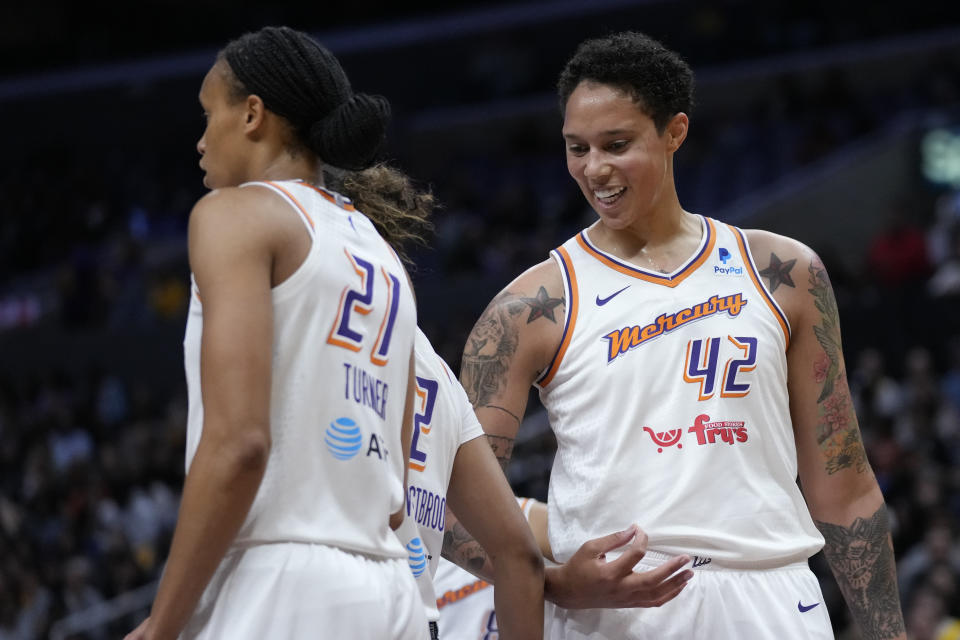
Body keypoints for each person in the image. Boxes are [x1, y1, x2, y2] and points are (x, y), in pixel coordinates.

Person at [454, 31, 907, 639]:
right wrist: (554, 580)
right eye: (577, 148)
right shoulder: (530, 308)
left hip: (773, 597)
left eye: (617, 144)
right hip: (616, 609)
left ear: (675, 132)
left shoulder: (785, 273)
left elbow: (846, 490)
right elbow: (449, 504)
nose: (595, 169)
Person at [123, 25, 477, 640]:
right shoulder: (383, 256)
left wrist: (162, 624)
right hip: (390, 588)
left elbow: (239, 444)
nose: (202, 141)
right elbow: (395, 493)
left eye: (209, 115)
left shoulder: (235, 215)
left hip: (281, 581)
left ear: (253, 114)